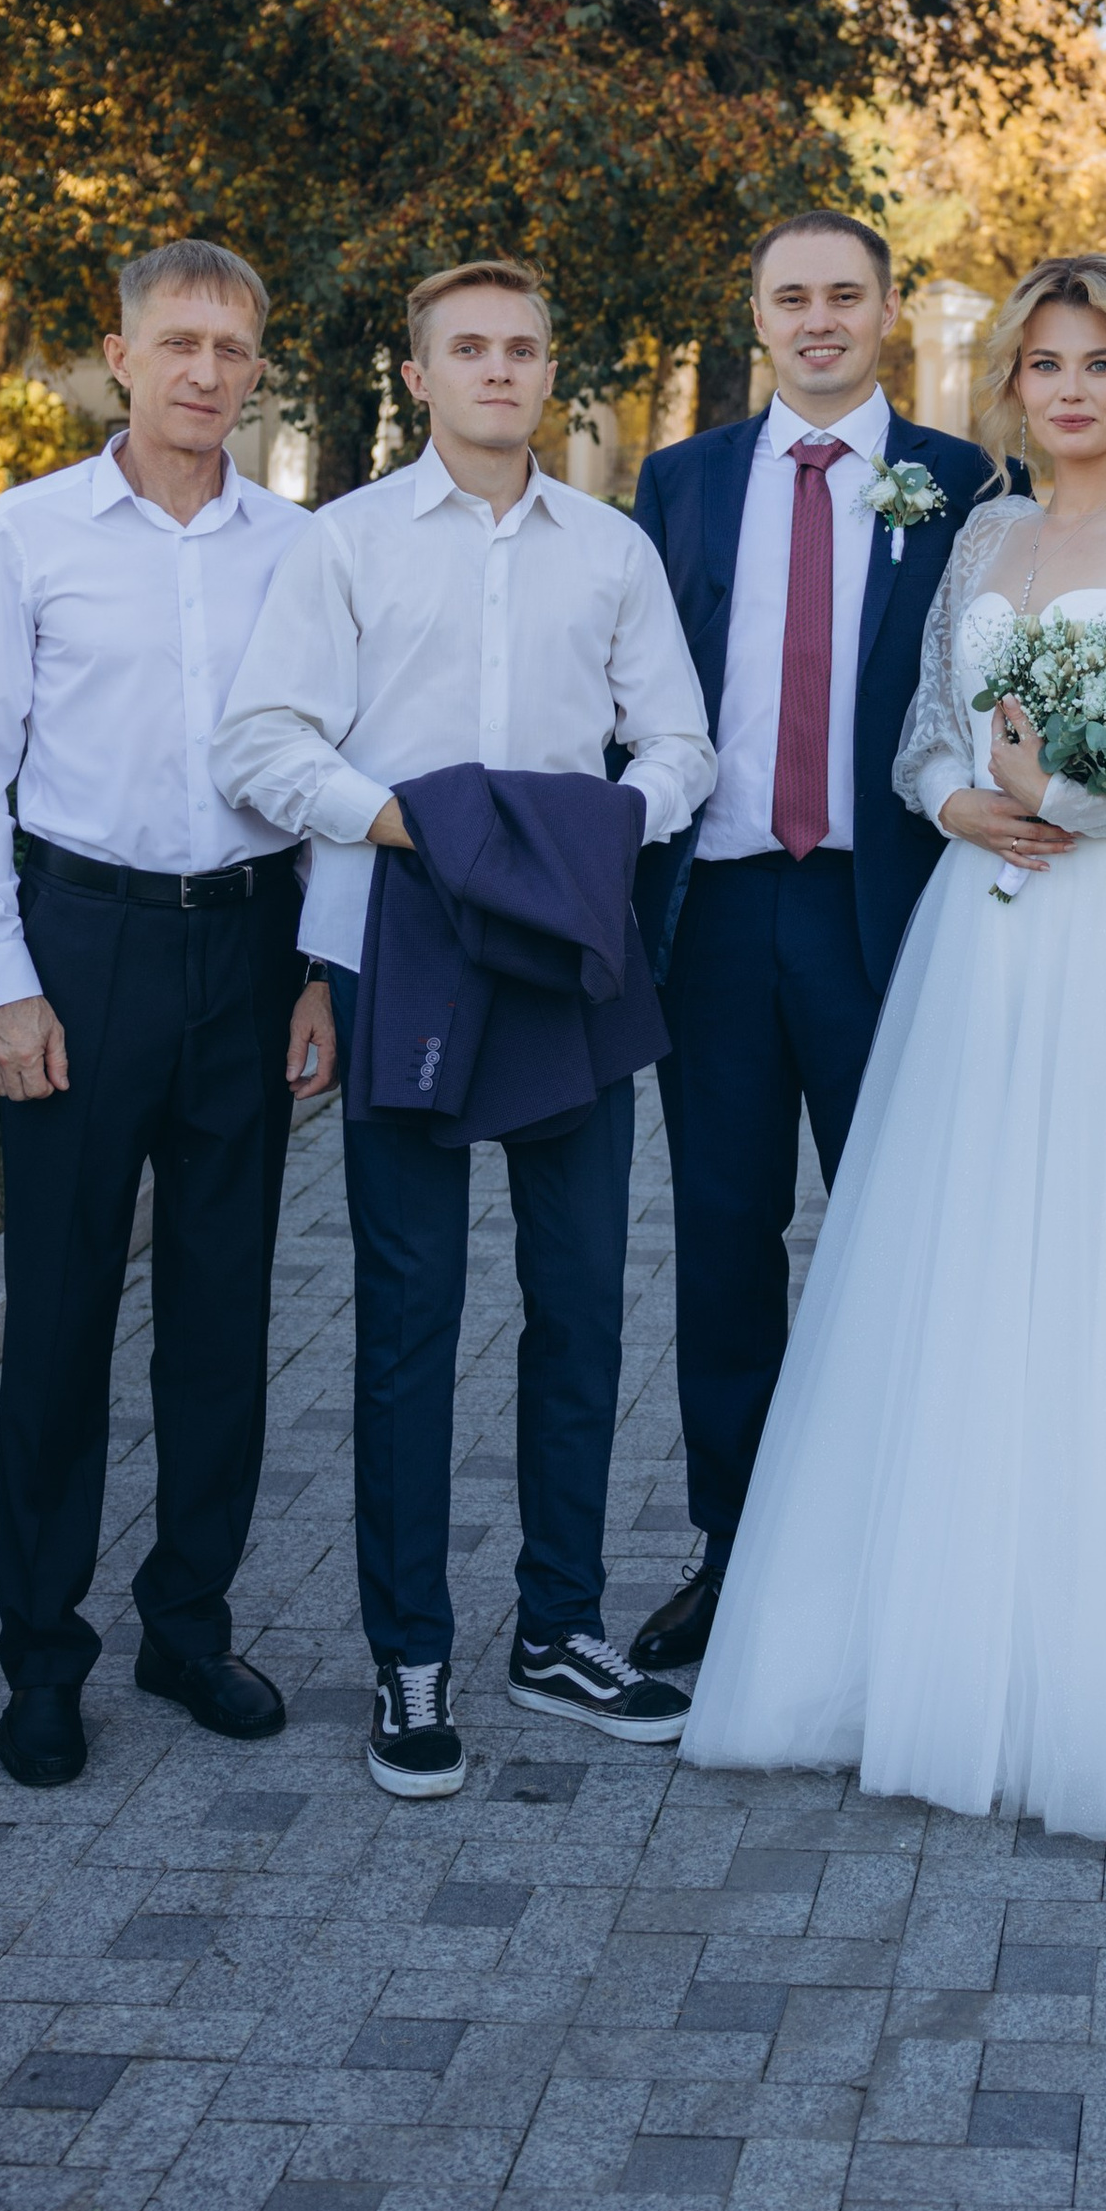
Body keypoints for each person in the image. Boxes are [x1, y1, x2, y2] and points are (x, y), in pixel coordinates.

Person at [681, 254, 1106, 1840]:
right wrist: (956, 800)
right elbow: (928, 726)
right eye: (1048, 365)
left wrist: (1063, 796)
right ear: (1015, 382)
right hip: (980, 935)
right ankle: (923, 1640)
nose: (1072, 390)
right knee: (968, 1252)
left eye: (1101, 365)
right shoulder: (982, 533)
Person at [213, 261, 714, 1798]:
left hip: (566, 948)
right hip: (404, 946)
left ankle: (559, 1629)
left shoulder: (613, 549)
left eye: (523, 348)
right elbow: (262, 743)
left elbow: (682, 743)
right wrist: (412, 830)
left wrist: (600, 830)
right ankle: (409, 1655)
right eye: (469, 349)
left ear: (552, 372)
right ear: (418, 375)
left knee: (581, 1306)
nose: (500, 369)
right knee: (408, 1314)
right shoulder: (346, 543)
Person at [0, 238, 314, 1793]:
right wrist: (2, 985)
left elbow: (331, 769)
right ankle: (42, 1654)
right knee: (63, 1318)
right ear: (122, 355)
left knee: (224, 1316)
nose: (205, 372)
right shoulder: (29, 535)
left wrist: (319, 972)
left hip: (251, 948)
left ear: (257, 368)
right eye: (179, 342)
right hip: (81, 951)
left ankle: (188, 1626)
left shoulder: (299, 549)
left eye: (232, 347)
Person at [624, 212, 995, 1679]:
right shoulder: (684, 480)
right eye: (794, 297)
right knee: (723, 1240)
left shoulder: (964, 482)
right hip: (715, 910)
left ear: (889, 310)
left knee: (898, 1234)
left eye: (847, 294)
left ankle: (902, 1544)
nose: (821, 318)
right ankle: (737, 1551)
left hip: (880, 906)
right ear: (759, 316)